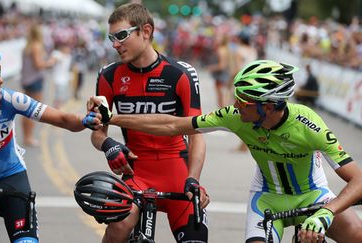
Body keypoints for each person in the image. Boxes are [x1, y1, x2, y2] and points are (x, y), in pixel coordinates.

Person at [90, 60, 362, 243]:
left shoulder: (308, 124)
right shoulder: (235, 116)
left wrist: (328, 211)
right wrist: (112, 118)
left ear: (267, 106)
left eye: (243, 101)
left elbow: (358, 180)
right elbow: (173, 124)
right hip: (267, 200)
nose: (235, 104)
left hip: (313, 197)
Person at [0, 40, 101, 243]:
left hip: (11, 178)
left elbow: (64, 120)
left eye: (0, 72)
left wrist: (85, 120)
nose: (0, 81)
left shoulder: (9, 100)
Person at [90, 3, 209, 243]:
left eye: (122, 35)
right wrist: (108, 145)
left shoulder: (181, 73)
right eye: (112, 37)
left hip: (178, 173)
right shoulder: (108, 76)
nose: (115, 44)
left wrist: (194, 179)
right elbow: (97, 132)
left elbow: (196, 134)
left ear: (145, 31)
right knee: (118, 229)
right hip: (137, 174)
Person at [20, 23, 56, 146]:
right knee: (33, 110)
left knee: (26, 109)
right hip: (35, 80)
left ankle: (26, 136)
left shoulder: (28, 46)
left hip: (27, 80)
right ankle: (29, 137)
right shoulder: (37, 46)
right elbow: (38, 64)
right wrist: (50, 62)